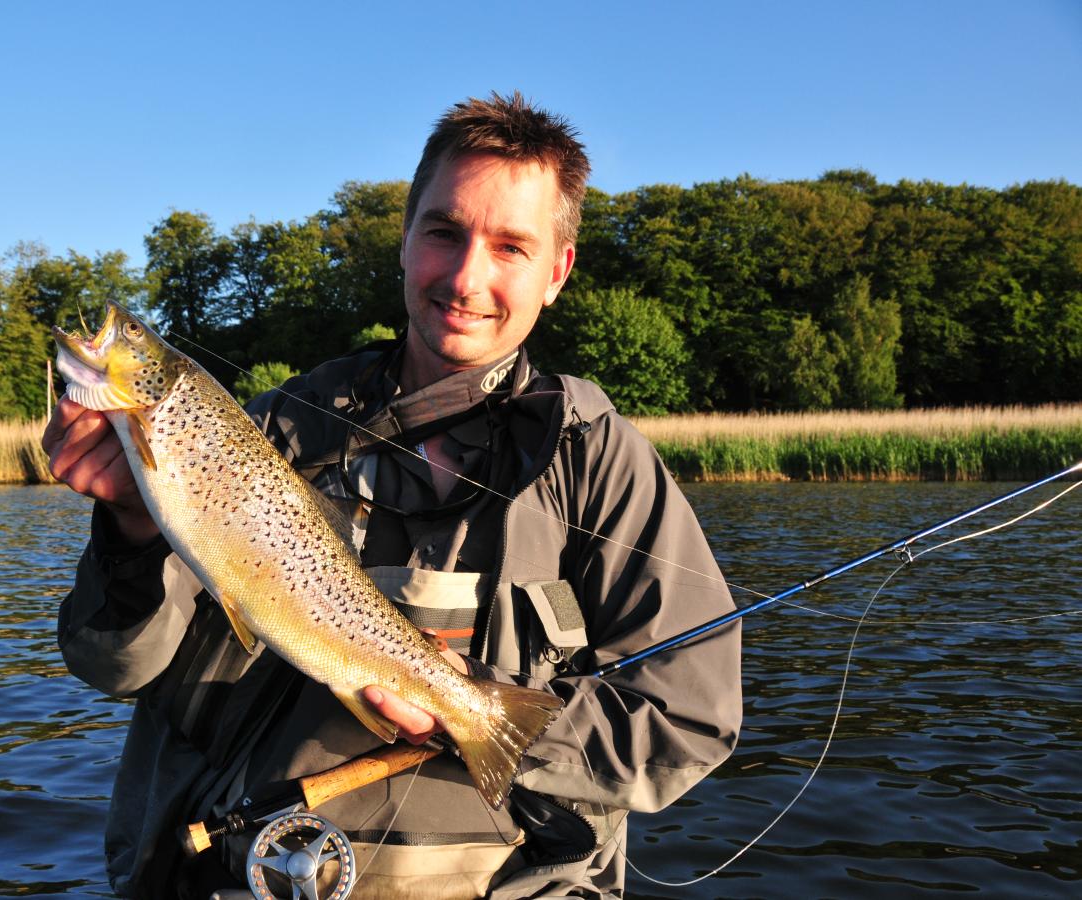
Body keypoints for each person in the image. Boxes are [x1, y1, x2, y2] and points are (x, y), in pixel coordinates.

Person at [43, 92, 741, 899]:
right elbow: (117, 670)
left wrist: (480, 719)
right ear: (404, 242)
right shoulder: (259, 437)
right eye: (443, 231)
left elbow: (689, 722)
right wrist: (129, 525)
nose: (466, 276)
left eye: (510, 246)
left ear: (557, 271)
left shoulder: (600, 463)